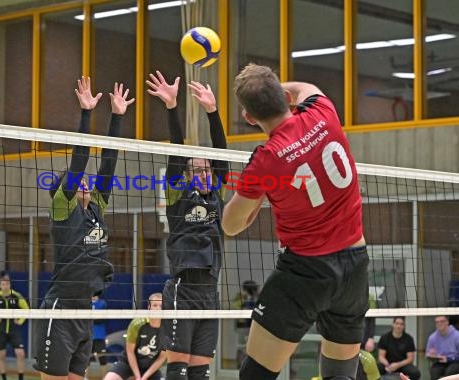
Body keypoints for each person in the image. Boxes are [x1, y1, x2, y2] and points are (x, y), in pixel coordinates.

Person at [222, 63, 368, 380]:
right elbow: (305, 87)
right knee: (340, 375)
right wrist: (269, 88)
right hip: (355, 266)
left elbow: (230, 225)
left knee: (256, 374)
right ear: (286, 97)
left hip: (306, 272)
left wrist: (257, 193)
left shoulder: (266, 159)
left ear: (248, 118)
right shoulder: (323, 113)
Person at [32, 77, 134, 380]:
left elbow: (108, 163)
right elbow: (79, 161)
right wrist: (87, 113)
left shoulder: (96, 208)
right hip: (61, 309)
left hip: (86, 312)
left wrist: (117, 117)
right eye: (76, 182)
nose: (84, 182)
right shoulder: (63, 208)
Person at [146, 70, 228, 380]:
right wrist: (171, 106)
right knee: (178, 368)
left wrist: (212, 111)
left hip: (211, 291)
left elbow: (221, 153)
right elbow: (177, 152)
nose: (205, 173)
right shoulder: (178, 195)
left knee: (201, 371)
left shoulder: (216, 195)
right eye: (197, 170)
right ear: (187, 174)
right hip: (183, 288)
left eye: (207, 169)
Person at [103, 293, 166, 380]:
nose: (158, 308)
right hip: (128, 362)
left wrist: (145, 377)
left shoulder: (168, 329)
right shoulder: (137, 323)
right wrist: (137, 376)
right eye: (155, 305)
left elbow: (162, 356)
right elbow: (130, 352)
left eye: (161, 306)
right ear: (149, 307)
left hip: (150, 367)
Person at [0, 277, 30, 380]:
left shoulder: (16, 296)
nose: (5, 286)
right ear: (0, 286)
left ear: (10, 285)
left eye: (7, 284)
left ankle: (21, 378)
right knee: (1, 355)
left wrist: (20, 320)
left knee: (20, 353)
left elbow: (26, 309)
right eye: (3, 284)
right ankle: (4, 378)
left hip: (14, 329)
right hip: (1, 329)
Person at [426, 316, 459, 380]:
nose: (439, 324)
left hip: (454, 362)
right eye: (437, 322)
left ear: (447, 322)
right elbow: (427, 355)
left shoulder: (457, 335)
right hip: (439, 362)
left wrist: (449, 359)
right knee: (434, 372)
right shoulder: (432, 337)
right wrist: (432, 355)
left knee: (450, 372)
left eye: (441, 321)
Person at [90, 295, 108, 376]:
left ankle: (105, 378)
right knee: (85, 359)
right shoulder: (86, 302)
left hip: (99, 336)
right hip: (87, 336)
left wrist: (91, 319)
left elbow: (102, 319)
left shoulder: (102, 303)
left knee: (102, 358)